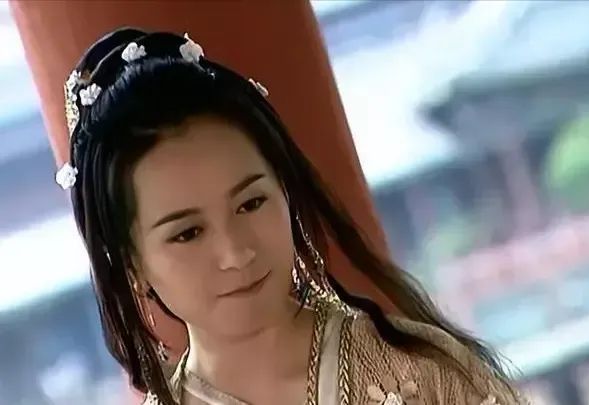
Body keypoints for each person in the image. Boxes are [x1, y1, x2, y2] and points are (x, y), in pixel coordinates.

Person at [57, 27, 528, 405]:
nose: (235, 252)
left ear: (285, 190)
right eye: (188, 233)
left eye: (250, 204)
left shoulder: (420, 371)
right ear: (131, 261)